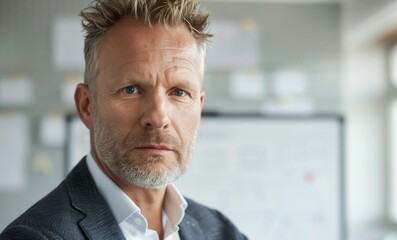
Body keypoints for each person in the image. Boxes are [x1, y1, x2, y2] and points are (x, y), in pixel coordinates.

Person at [0, 0, 248, 239]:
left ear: (199, 108)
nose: (158, 117)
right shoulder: (36, 236)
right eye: (131, 89)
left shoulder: (221, 232)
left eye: (179, 92)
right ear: (87, 106)